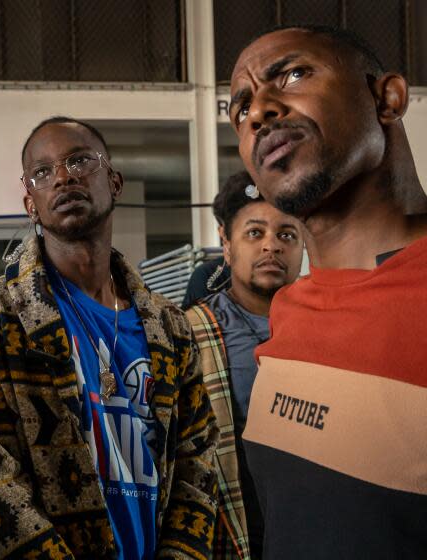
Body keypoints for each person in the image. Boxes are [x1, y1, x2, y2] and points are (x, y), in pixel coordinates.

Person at [0, 116, 218, 559]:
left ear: (114, 181)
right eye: (43, 172)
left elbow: (197, 461)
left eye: (79, 161)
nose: (63, 176)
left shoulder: (170, 326)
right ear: (30, 203)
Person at [229, 25, 427, 557]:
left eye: (292, 74)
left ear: (387, 98)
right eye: (240, 107)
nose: (259, 112)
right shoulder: (289, 310)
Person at [185, 171, 303, 559]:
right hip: (230, 533)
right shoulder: (189, 334)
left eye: (287, 234)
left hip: (310, 525)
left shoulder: (328, 328)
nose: (272, 245)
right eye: (254, 233)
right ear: (226, 243)